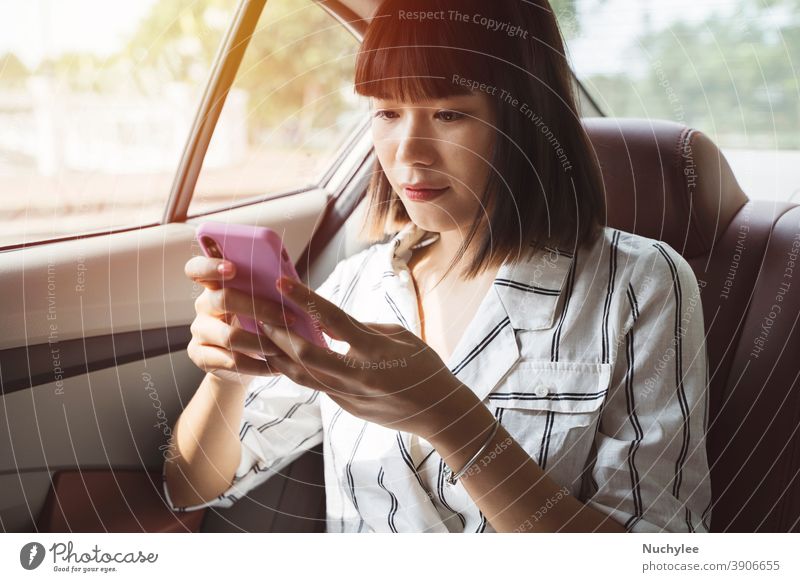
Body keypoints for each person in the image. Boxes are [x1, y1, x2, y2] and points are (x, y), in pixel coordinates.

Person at [163, 0, 713, 533]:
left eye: (449, 113)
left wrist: (453, 421)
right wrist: (227, 379)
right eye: (386, 112)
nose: (408, 153)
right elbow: (193, 487)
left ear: (528, 119)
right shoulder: (356, 287)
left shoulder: (637, 286)